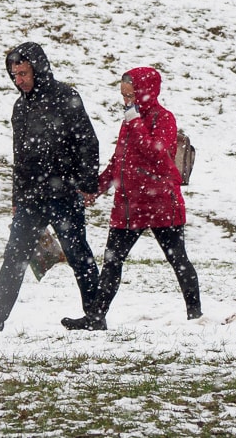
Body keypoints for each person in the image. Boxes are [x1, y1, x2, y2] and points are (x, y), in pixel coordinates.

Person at [0, 42, 103, 331]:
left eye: (23, 73)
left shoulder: (66, 97)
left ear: (38, 69)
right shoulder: (20, 107)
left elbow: (89, 142)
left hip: (65, 193)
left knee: (78, 255)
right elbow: (19, 156)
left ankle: (95, 317)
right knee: (14, 255)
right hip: (31, 197)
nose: (19, 80)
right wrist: (17, 197)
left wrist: (86, 184)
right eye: (14, 75)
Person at [63, 66, 201, 330]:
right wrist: (96, 188)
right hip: (129, 206)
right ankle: (95, 318)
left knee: (178, 259)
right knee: (113, 261)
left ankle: (196, 315)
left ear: (146, 93)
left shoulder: (164, 119)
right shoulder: (129, 121)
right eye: (123, 96)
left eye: (130, 95)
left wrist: (135, 122)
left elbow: (156, 154)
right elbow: (119, 163)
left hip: (160, 204)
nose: (126, 101)